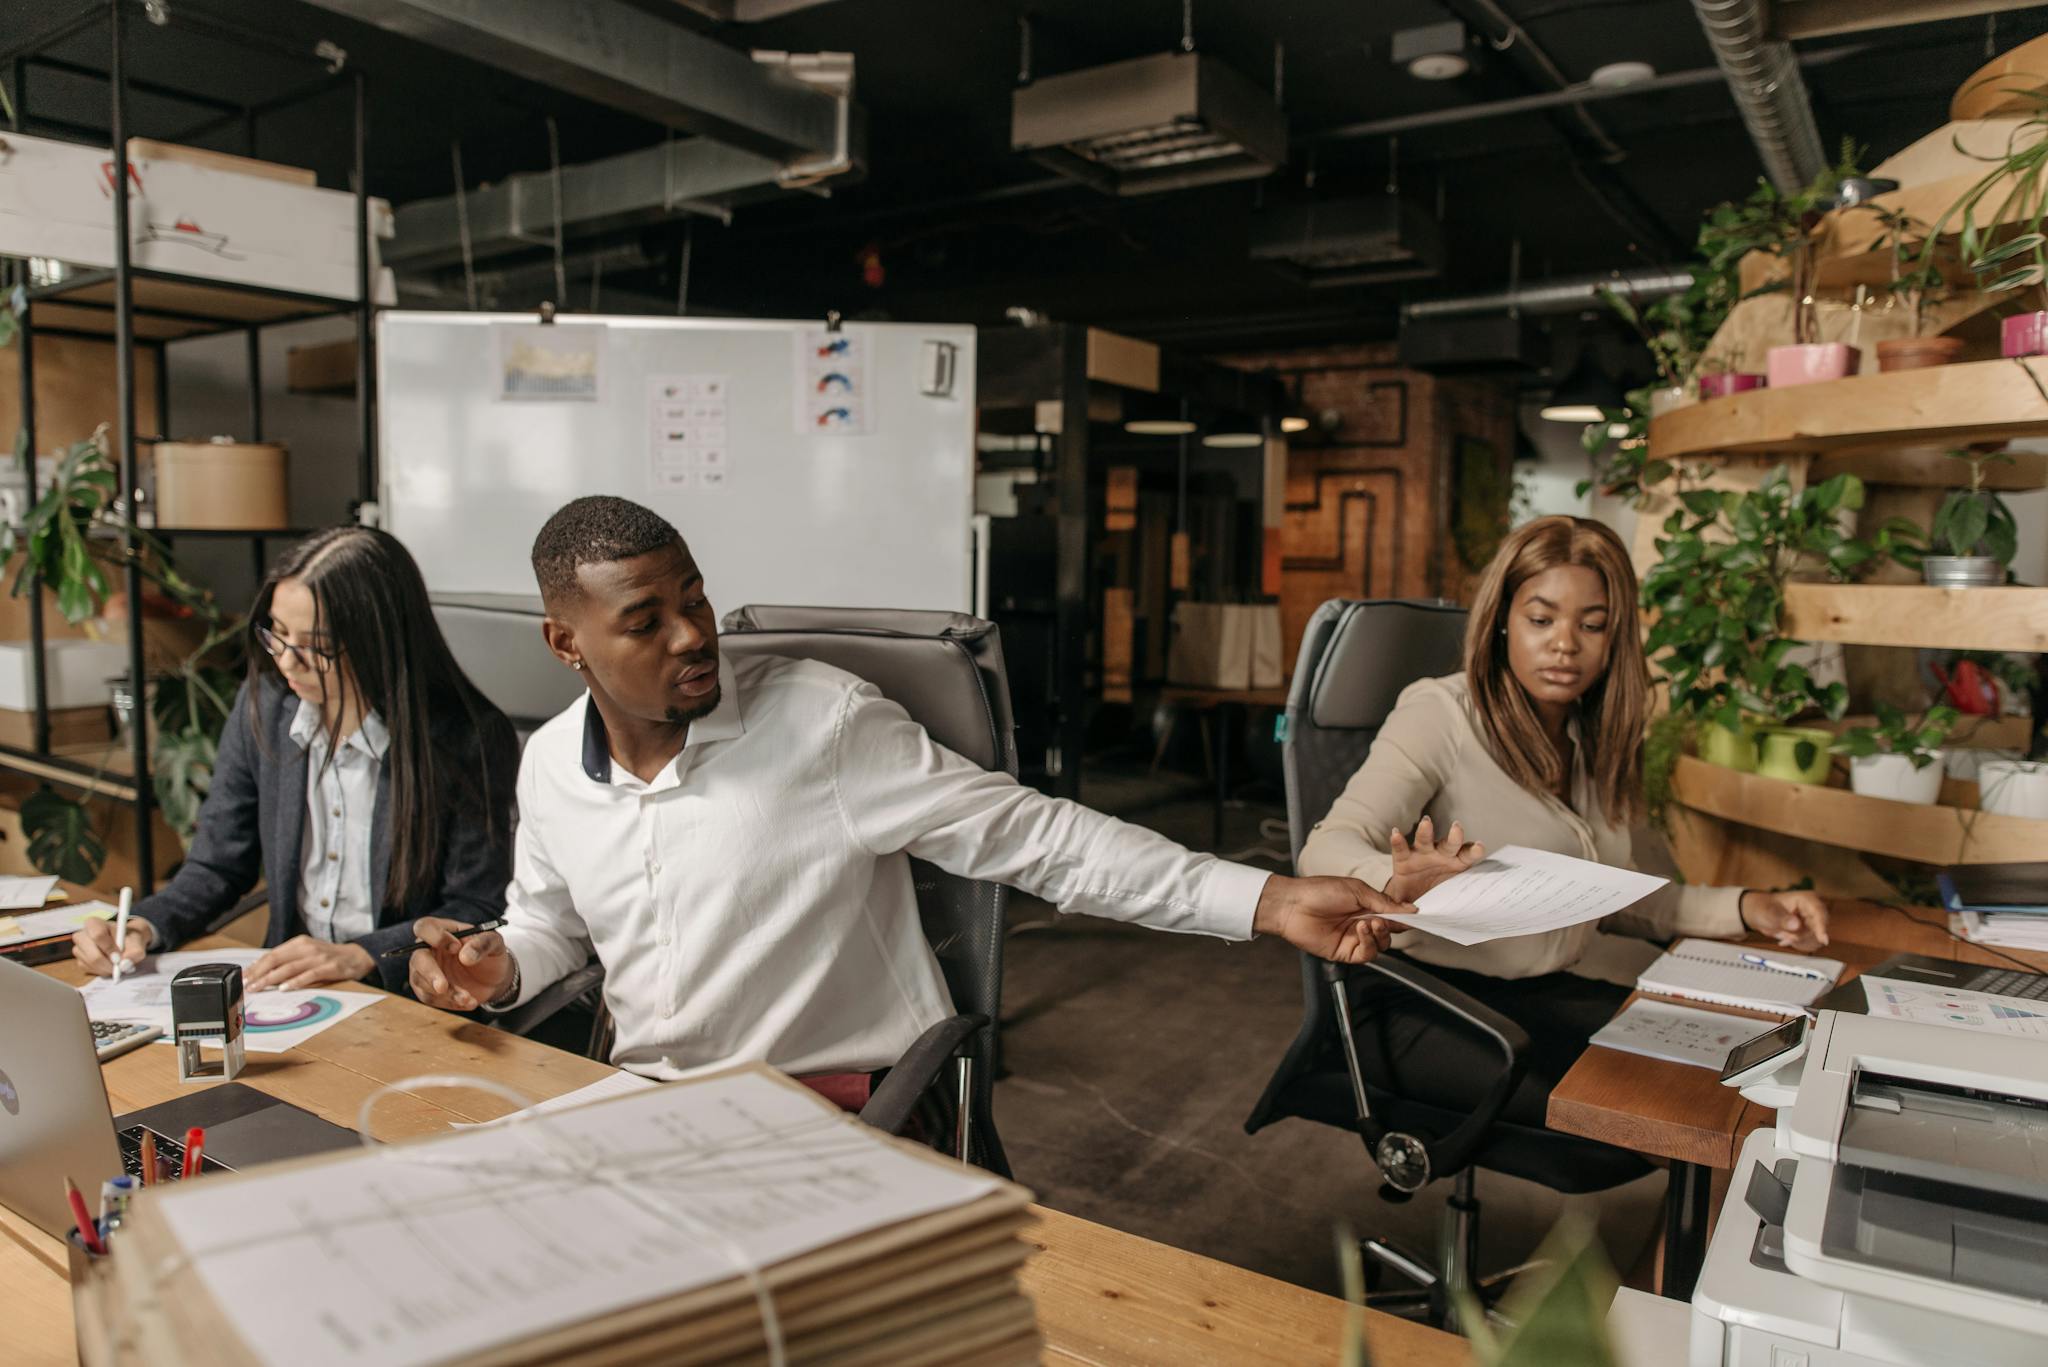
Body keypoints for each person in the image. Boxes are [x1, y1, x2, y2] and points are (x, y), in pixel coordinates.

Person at [407, 496, 1403, 1092]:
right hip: (641, 1104)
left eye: (695, 596)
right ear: (564, 641)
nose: (693, 633)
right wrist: (496, 970)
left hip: (823, 1099)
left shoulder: (822, 722)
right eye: (645, 619)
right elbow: (550, 930)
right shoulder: (547, 767)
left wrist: (1267, 900)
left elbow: (1041, 840)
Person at [1298, 515, 1828, 1115]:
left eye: (1592, 624)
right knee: (1670, 1110)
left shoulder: (1594, 737)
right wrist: (1402, 887)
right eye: (1541, 619)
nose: (1565, 644)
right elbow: (1324, 849)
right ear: (1502, 620)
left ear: (1614, 637)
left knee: (1737, 1081)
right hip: (1434, 1001)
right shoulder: (1440, 713)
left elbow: (1620, 895)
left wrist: (1749, 906)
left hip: (1544, 995)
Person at [71, 527, 518, 993]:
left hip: (410, 997)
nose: (287, 662)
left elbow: (475, 905)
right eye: (277, 635)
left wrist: (362, 953)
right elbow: (217, 865)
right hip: (290, 992)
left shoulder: (468, 736)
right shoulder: (265, 705)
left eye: (315, 646)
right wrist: (144, 926)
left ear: (380, 640)